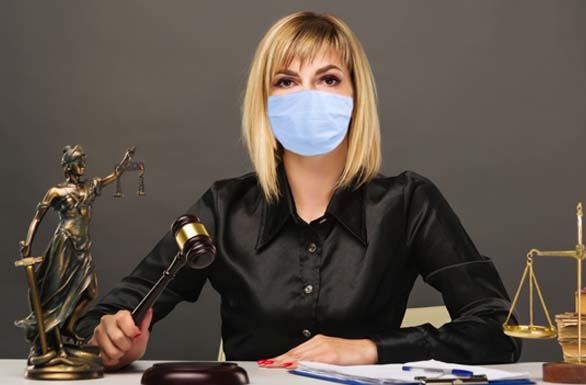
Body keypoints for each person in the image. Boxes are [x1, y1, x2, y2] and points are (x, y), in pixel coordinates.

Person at [75, 11, 522, 370]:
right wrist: (113, 342)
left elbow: (500, 330)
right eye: (286, 81)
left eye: (328, 79)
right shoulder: (223, 207)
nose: (308, 95)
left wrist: (368, 348)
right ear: (264, 101)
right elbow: (100, 321)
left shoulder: (407, 202)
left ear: (356, 97)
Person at [16, 145, 134, 365]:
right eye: (78, 162)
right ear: (68, 165)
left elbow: (112, 177)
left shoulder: (88, 187)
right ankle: (54, 345)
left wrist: (124, 163)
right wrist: (28, 243)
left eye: (83, 162)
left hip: (83, 246)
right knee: (58, 296)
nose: (82, 166)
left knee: (90, 292)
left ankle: (69, 326)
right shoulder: (56, 192)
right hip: (65, 246)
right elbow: (37, 218)